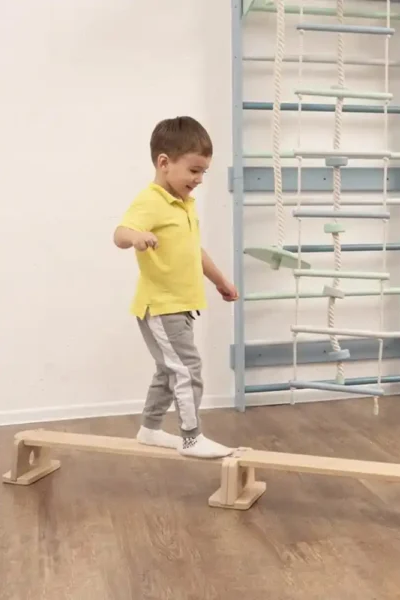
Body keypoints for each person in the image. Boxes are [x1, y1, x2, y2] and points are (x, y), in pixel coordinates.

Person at [113, 116, 238, 458]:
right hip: (161, 305)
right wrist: (136, 236)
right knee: (187, 369)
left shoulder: (184, 205)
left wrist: (221, 281)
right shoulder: (150, 200)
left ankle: (150, 429)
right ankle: (191, 438)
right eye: (194, 170)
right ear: (164, 163)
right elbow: (120, 234)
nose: (199, 179)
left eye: (203, 172)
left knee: (169, 370)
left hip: (181, 305)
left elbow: (194, 250)